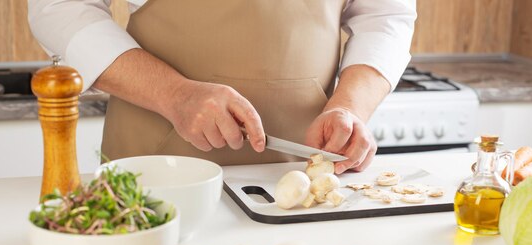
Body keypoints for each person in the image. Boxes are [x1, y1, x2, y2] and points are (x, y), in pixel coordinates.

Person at [29, 0, 416, 174]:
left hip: (306, 173)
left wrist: (350, 105)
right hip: (159, 173)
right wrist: (173, 93)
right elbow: (58, 7)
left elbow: (386, 15)